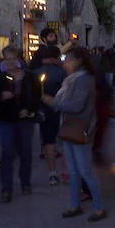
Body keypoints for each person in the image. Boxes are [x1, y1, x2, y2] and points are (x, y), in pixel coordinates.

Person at [43, 47, 107, 223]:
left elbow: (77, 105)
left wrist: (54, 103)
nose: (65, 63)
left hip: (81, 129)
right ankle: (74, 204)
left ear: (78, 61)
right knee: (72, 171)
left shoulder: (84, 80)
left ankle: (98, 207)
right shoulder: (71, 80)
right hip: (68, 128)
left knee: (85, 170)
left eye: (69, 60)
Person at [0, 46, 39, 202]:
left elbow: (36, 96)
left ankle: (25, 183)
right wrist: (2, 97)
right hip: (7, 120)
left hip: (25, 120)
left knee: (25, 152)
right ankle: (6, 188)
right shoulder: (0, 78)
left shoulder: (29, 76)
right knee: (7, 153)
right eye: (7, 60)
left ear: (18, 59)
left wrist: (29, 109)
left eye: (12, 59)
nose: (10, 63)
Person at [33, 45, 65, 185]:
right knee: (65, 141)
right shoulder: (61, 72)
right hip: (61, 109)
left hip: (43, 109)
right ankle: (67, 172)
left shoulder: (35, 72)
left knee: (49, 141)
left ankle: (52, 172)